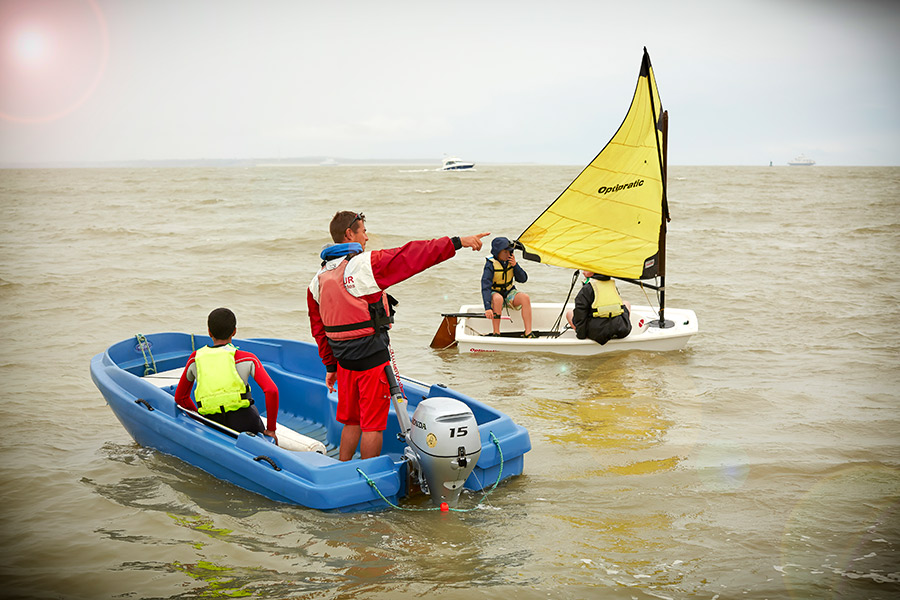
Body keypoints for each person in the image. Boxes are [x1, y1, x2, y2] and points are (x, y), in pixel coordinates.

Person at [308, 211, 488, 461]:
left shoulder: (317, 279)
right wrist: (457, 242)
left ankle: (343, 465)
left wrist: (330, 366)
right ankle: (368, 474)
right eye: (363, 232)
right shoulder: (363, 265)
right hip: (372, 360)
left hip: (344, 362)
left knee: (352, 421)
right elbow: (412, 255)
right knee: (372, 425)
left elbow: (318, 329)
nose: (367, 238)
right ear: (350, 234)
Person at [174, 307, 279, 444]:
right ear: (234, 331)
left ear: (209, 332)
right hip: (246, 424)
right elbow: (271, 391)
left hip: (213, 424)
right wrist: (271, 430)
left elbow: (180, 398)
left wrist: (201, 419)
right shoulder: (247, 358)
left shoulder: (195, 359)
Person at [481, 236, 534, 337]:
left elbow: (523, 279)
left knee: (525, 298)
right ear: (497, 252)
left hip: (509, 292)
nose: (508, 254)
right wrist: (487, 308)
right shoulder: (490, 265)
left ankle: (528, 332)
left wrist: (515, 266)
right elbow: (485, 286)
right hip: (495, 293)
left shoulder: (511, 262)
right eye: (505, 252)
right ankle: (496, 332)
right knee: (498, 299)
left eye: (510, 252)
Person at [565, 271, 632, 345]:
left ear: (594, 270)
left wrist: (581, 336)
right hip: (621, 329)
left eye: (586, 269)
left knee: (569, 313)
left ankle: (587, 339)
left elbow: (580, 314)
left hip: (598, 334)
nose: (583, 272)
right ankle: (622, 327)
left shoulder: (587, 288)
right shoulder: (612, 285)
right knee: (626, 303)